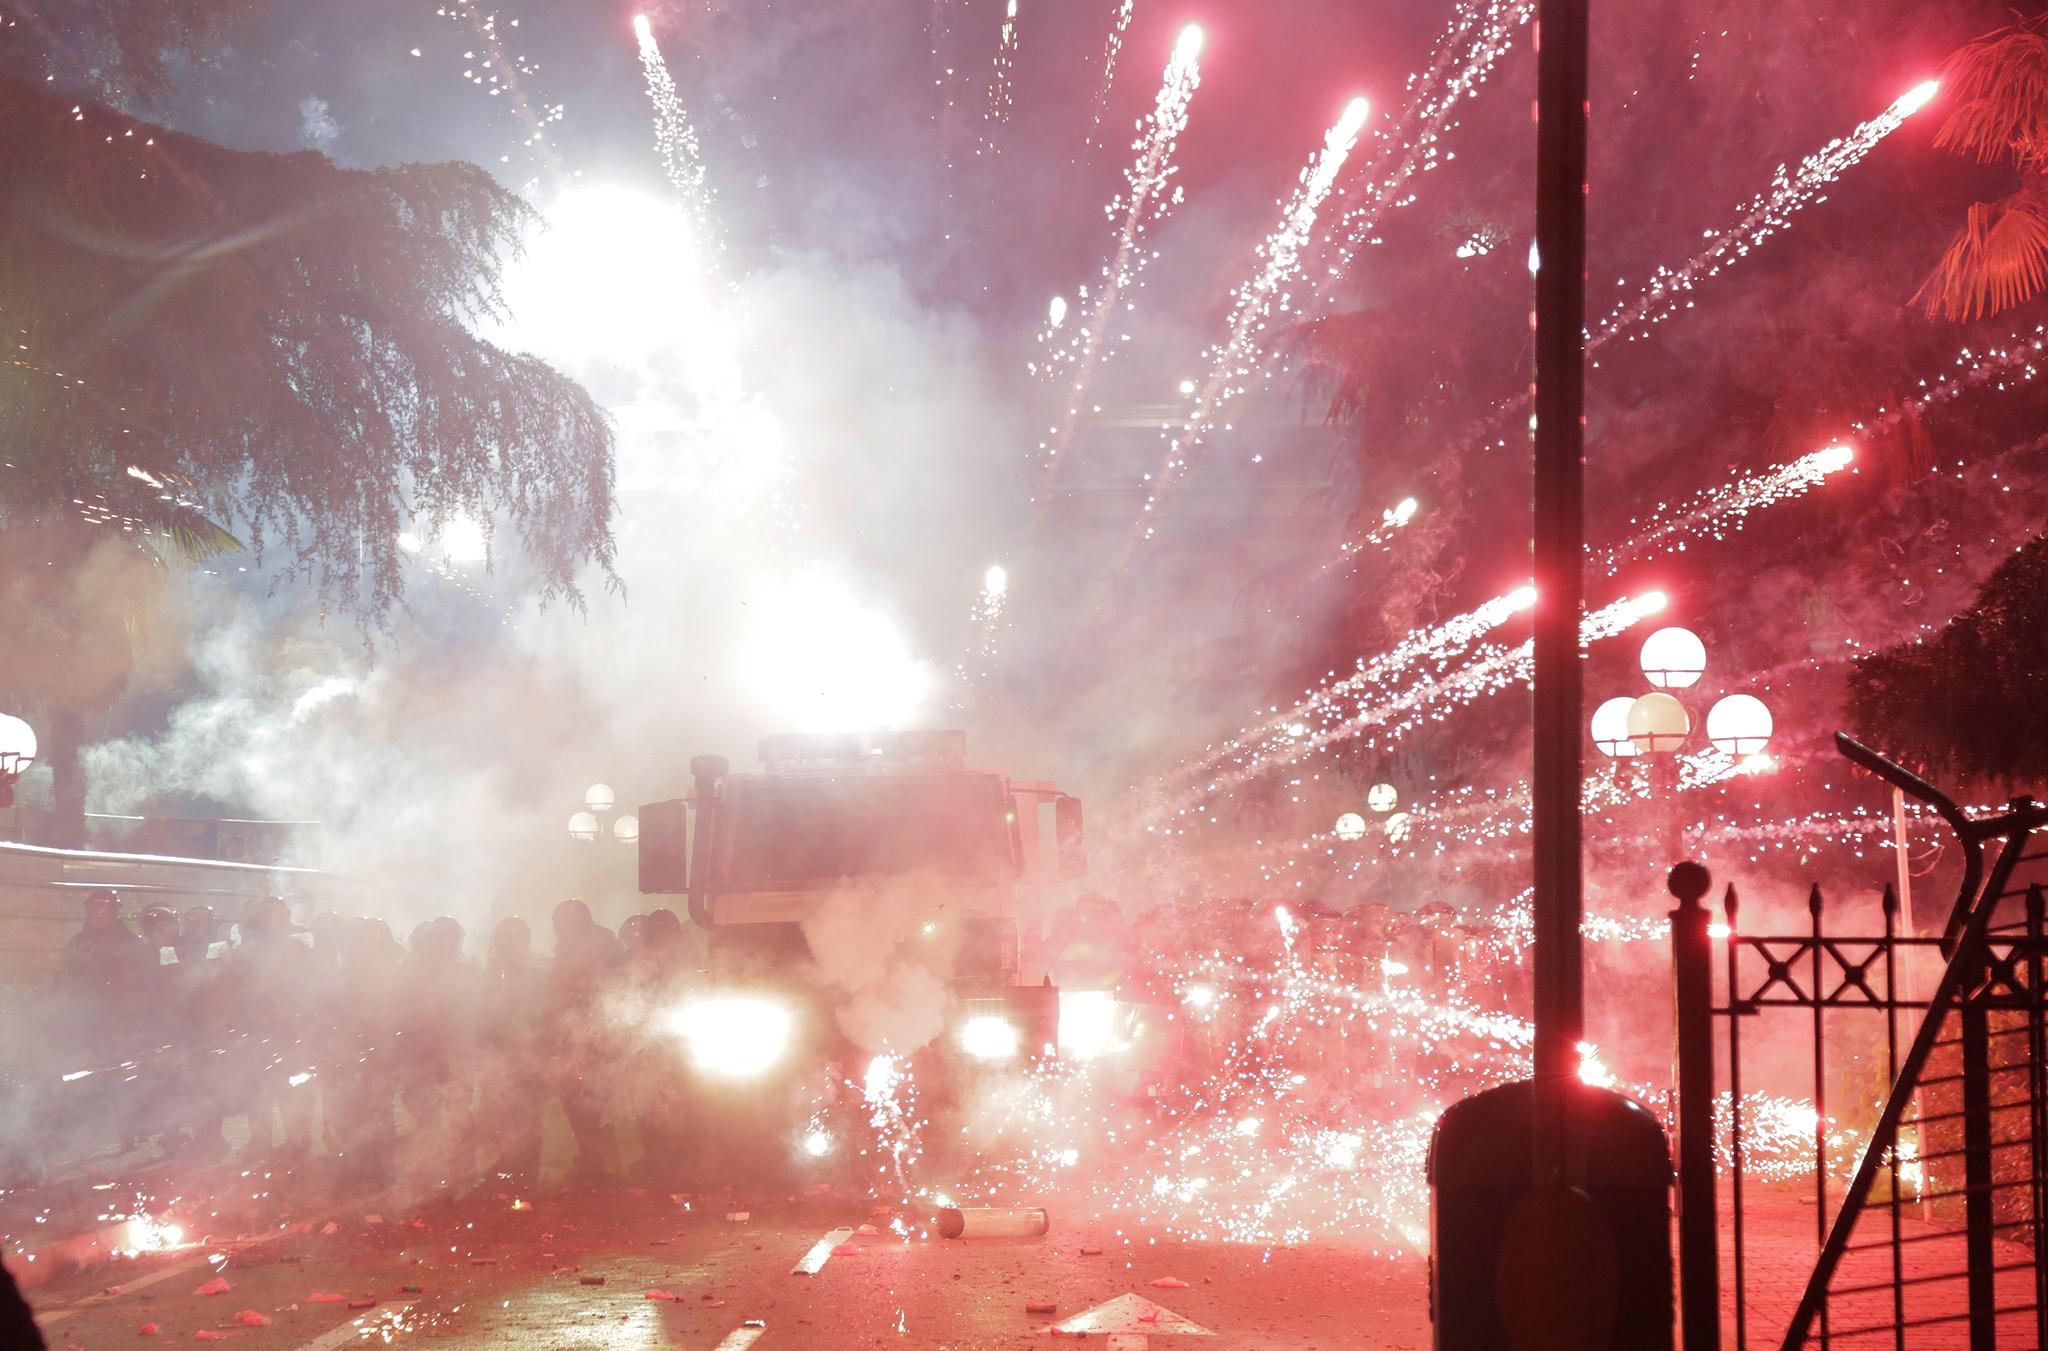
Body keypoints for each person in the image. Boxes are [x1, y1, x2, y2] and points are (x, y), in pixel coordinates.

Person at [224, 896, 315, 1162]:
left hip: (292, 1031)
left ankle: (298, 1144)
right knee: (259, 1091)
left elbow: (312, 988)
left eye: (278, 915)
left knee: (293, 1089)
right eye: (268, 916)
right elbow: (235, 992)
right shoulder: (246, 951)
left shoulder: (298, 947)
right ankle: (261, 1142)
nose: (272, 921)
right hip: (257, 1031)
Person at [395, 916, 478, 1191]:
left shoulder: (466, 973)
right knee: (426, 1120)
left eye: (450, 939)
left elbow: (478, 1014)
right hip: (423, 1056)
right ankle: (431, 1176)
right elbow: (401, 1016)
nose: (446, 945)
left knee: (459, 1119)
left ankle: (460, 1177)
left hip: (455, 1056)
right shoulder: (411, 975)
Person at [543, 899, 622, 1182]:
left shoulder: (603, 948)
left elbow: (606, 990)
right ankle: (594, 1160)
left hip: (596, 1037)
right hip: (571, 1037)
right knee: (575, 1102)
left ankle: (604, 1164)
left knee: (594, 1103)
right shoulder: (565, 952)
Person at [477, 917, 544, 1185]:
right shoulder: (491, 971)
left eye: (512, 938)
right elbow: (480, 1010)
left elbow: (546, 1008)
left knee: (527, 1115)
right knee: (498, 1113)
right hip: (498, 1053)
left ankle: (526, 1171)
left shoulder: (538, 969)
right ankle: (504, 1166)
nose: (507, 944)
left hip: (528, 1052)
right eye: (503, 938)